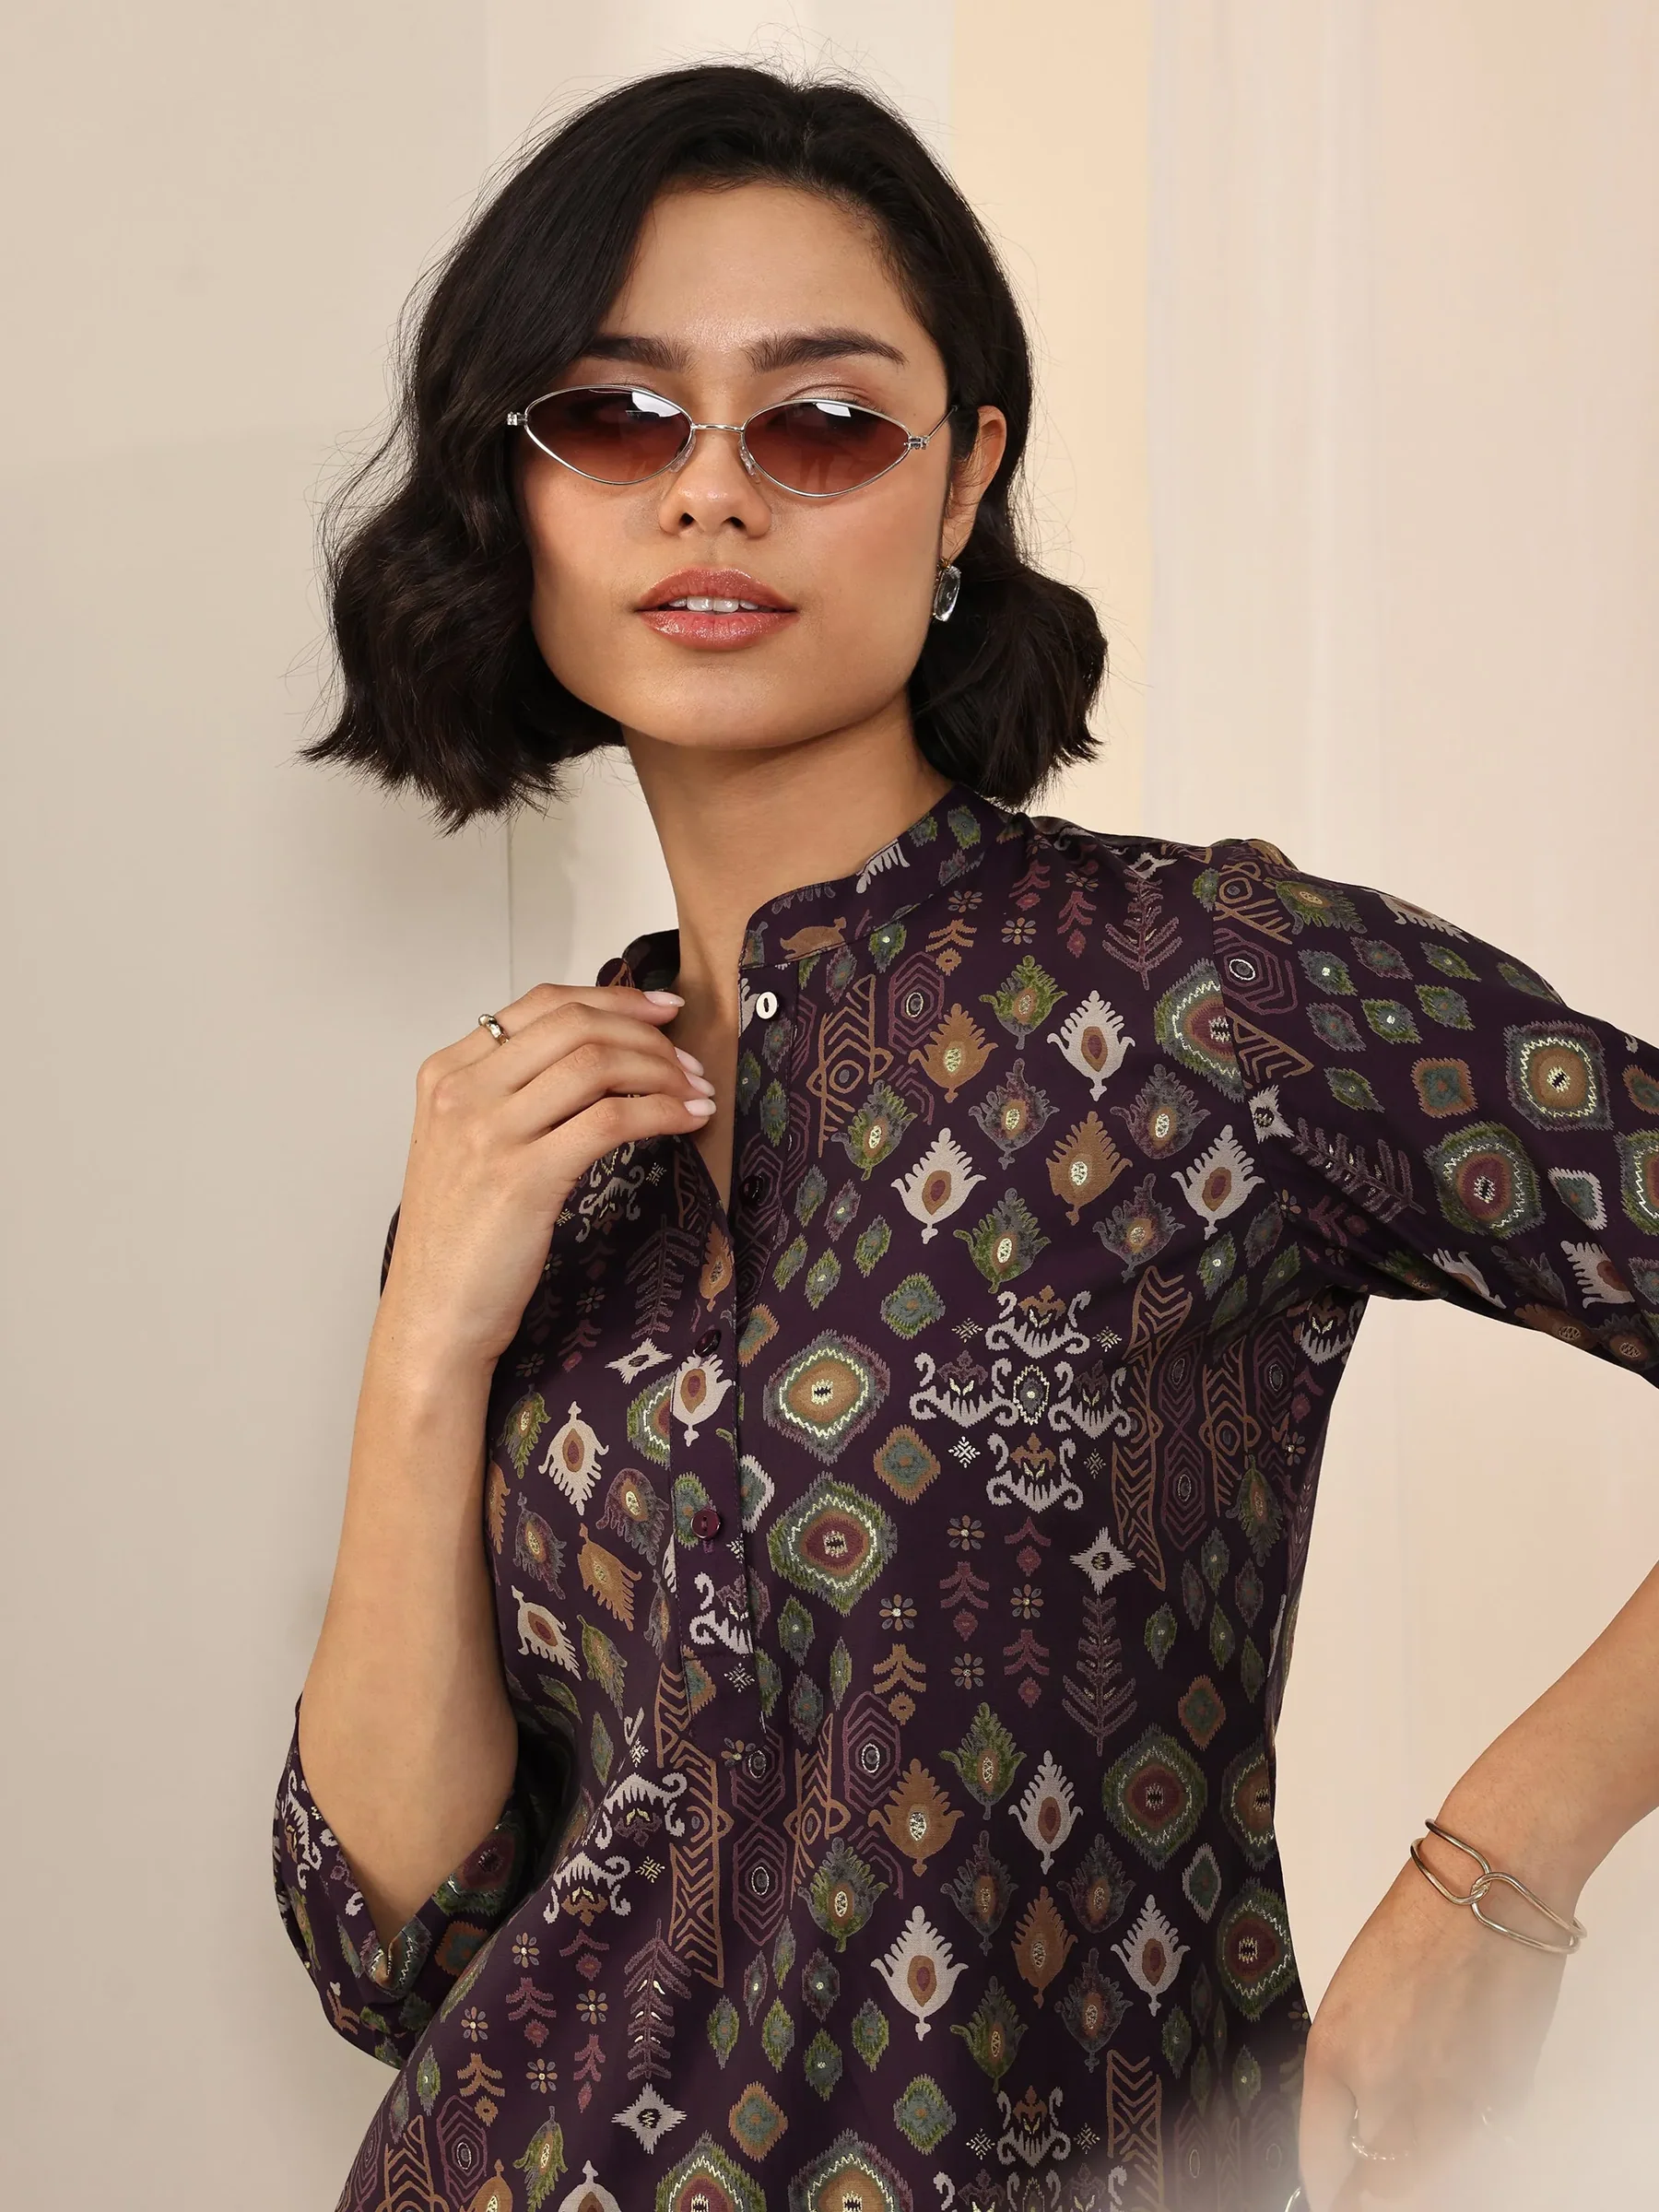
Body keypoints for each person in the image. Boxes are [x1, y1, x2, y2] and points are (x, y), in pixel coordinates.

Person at [272, 64, 1659, 2212]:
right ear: (516, 488)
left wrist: (1508, 1864)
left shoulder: (1215, 993)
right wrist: (425, 1346)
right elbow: (397, 1948)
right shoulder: (529, 1133)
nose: (709, 493)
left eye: (819, 422)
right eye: (619, 419)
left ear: (962, 481)